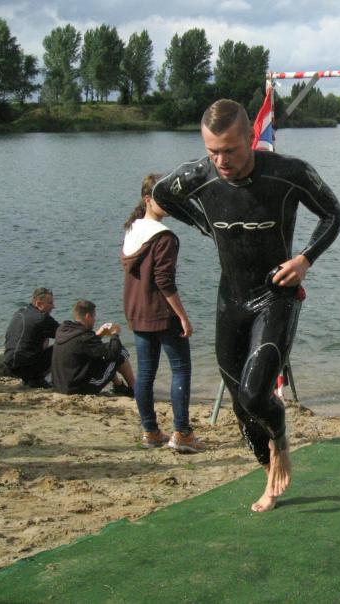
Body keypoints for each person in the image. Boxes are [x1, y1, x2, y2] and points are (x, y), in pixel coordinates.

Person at [152, 99, 340, 512]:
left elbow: (333, 214)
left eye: (230, 150)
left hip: (276, 295)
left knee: (256, 395)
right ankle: (268, 475)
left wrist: (305, 260)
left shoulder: (288, 173)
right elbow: (161, 192)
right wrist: (203, 223)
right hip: (232, 299)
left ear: (251, 138)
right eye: (213, 152)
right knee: (241, 406)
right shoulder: (200, 176)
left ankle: (280, 439)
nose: (221, 161)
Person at [122, 173, 204, 453]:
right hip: (161, 312)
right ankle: (182, 433)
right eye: (163, 198)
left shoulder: (132, 229)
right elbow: (164, 281)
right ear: (148, 200)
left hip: (137, 310)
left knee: (145, 374)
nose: (169, 203)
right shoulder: (163, 236)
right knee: (181, 370)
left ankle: (150, 432)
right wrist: (183, 316)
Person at [51, 299, 136, 396]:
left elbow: (85, 345)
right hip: (78, 389)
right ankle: (134, 388)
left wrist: (99, 334)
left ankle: (119, 386)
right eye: (94, 316)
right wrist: (115, 334)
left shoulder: (63, 329)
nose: (95, 320)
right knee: (121, 352)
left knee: (101, 354)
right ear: (88, 316)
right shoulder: (85, 337)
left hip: (60, 386)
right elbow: (113, 353)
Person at [3, 287, 59, 388]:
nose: (53, 306)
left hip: (9, 365)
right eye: (50, 303)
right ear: (38, 303)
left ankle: (33, 378)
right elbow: (65, 334)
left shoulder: (19, 313)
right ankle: (38, 379)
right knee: (60, 346)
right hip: (26, 368)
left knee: (41, 337)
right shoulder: (42, 318)